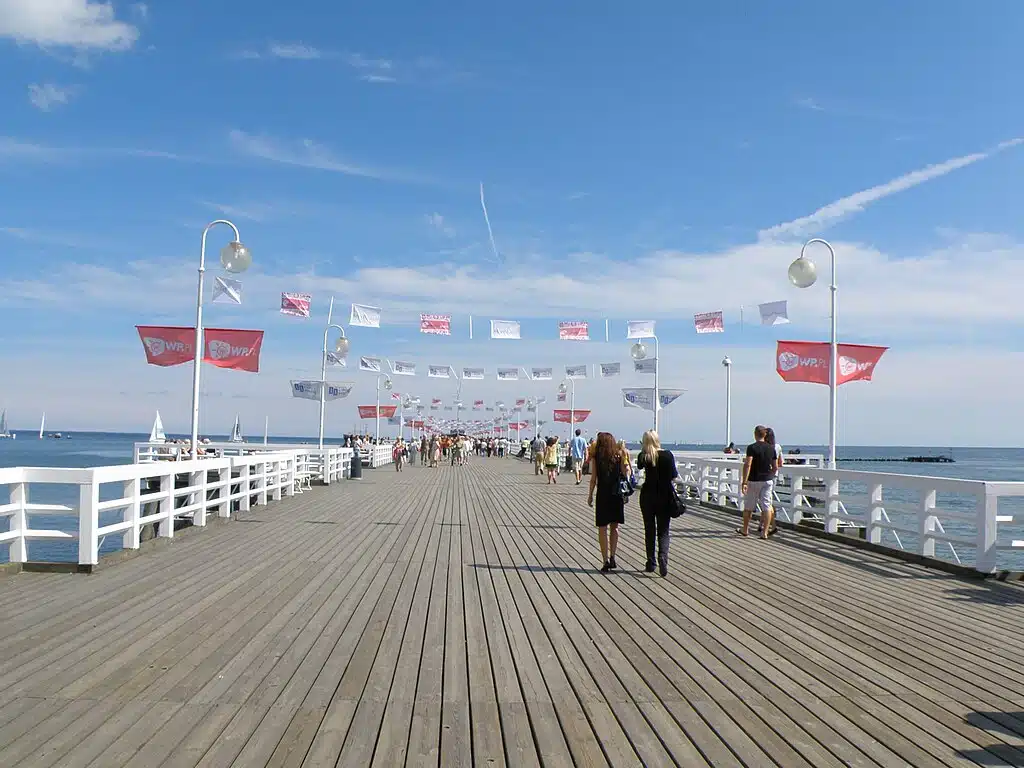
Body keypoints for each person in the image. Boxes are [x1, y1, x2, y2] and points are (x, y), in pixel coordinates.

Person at [636, 430, 678, 576]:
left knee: (649, 530)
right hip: (664, 496)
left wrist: (644, 449)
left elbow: (639, 466)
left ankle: (651, 562)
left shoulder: (644, 456)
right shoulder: (667, 455)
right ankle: (663, 556)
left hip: (647, 496)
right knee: (663, 530)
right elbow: (674, 475)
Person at [587, 432, 626, 572]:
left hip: (603, 495)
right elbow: (625, 474)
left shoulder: (597, 457)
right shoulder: (619, 455)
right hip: (616, 495)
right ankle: (613, 556)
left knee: (602, 528)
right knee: (614, 527)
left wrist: (590, 495)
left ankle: (605, 561)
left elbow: (593, 479)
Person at [739, 425, 777, 538]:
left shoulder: (752, 447)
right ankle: (765, 532)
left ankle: (745, 530)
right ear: (765, 434)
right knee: (766, 506)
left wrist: (744, 482)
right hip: (767, 480)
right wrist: (771, 475)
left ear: (755, 434)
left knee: (749, 506)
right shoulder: (771, 448)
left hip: (754, 480)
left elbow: (748, 464)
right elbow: (775, 466)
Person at [759, 427, 783, 536]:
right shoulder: (777, 447)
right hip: (774, 476)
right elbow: (780, 463)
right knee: (767, 500)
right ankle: (762, 524)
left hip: (764, 476)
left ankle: (771, 526)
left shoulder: (764, 447)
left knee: (766, 502)